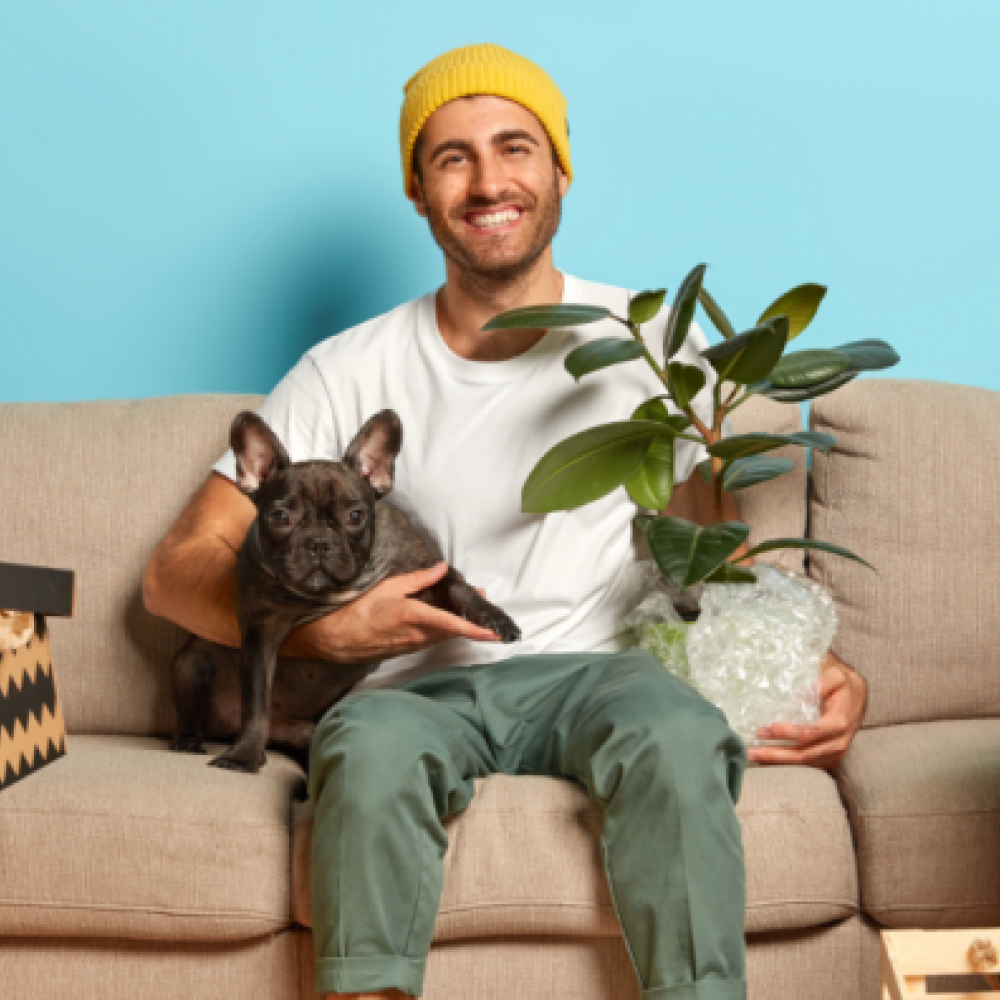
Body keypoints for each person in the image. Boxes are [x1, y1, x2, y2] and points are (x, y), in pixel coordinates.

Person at [143, 43, 868, 1000]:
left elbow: (711, 554)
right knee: (360, 755)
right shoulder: (343, 370)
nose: (489, 181)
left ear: (559, 167)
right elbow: (174, 571)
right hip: (410, 691)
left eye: (515, 147)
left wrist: (808, 661)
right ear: (417, 190)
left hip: (603, 677)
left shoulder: (649, 345)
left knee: (681, 735)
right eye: (453, 157)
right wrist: (327, 627)